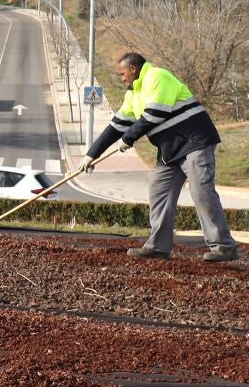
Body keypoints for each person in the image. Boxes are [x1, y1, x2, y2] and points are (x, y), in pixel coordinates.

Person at [86, 52, 239, 262]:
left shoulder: (158, 77)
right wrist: (91, 154)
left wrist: (128, 139)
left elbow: (155, 114)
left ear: (133, 69)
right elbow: (116, 125)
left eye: (122, 73)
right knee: (159, 192)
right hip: (170, 150)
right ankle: (158, 246)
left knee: (201, 192)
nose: (121, 79)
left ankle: (224, 246)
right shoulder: (133, 94)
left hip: (194, 143)